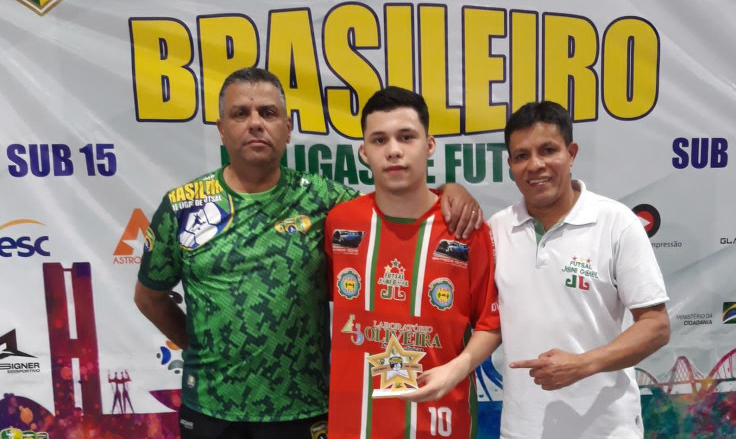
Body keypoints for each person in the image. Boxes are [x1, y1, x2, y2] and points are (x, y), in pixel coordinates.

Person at [134, 67, 481, 439]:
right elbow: (150, 298)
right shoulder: (184, 205)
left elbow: (398, 202)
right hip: (211, 408)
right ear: (221, 128)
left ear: (288, 126)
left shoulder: (327, 201)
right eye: (240, 114)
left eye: (267, 113)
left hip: (303, 410)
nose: (255, 124)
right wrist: (206, 348)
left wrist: (449, 189)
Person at [324, 87, 501, 439]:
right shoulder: (340, 223)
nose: (393, 150)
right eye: (379, 140)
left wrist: (457, 369)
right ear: (363, 152)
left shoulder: (466, 229)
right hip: (354, 422)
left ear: (429, 144)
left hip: (439, 420)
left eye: (406, 137)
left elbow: (492, 322)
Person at [488, 101, 670, 439]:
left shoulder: (616, 223)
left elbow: (656, 326)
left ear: (571, 153)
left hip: (605, 428)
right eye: (521, 155)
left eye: (548, 150)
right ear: (511, 164)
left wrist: (583, 364)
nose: (536, 165)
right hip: (522, 429)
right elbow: (485, 323)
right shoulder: (496, 230)